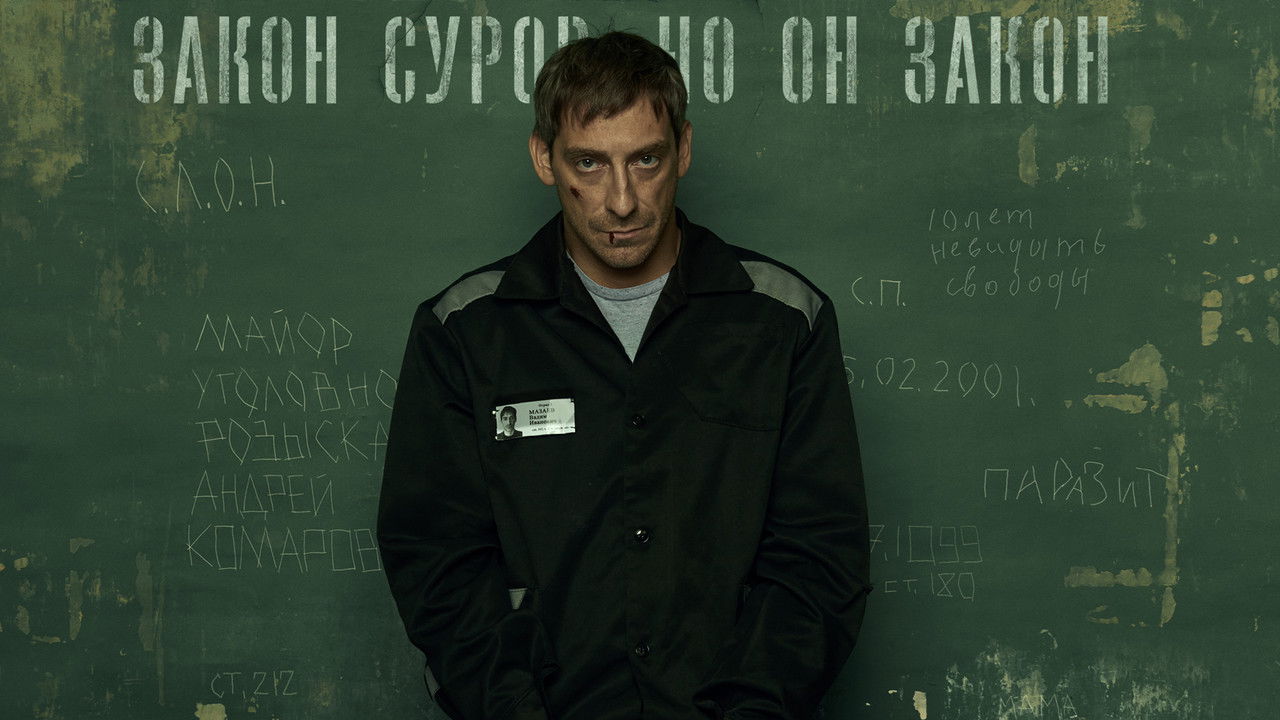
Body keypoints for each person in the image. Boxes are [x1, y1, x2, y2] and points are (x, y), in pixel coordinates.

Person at [377, 30, 871, 720]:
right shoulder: (464, 332)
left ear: (684, 151)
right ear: (544, 158)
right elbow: (439, 560)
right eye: (589, 162)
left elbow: (818, 559)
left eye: (646, 160)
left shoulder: (784, 322)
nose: (621, 202)